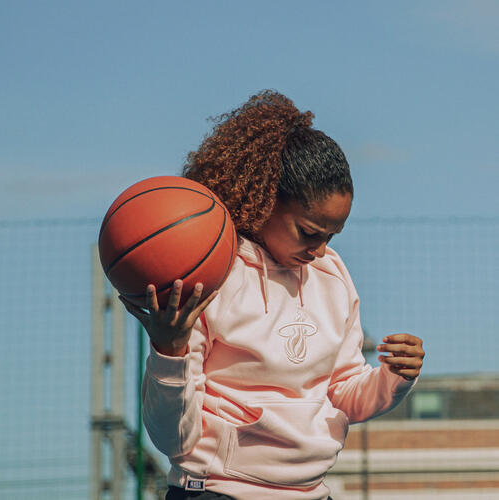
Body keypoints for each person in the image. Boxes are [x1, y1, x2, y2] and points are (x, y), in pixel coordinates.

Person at [119, 90, 425, 500]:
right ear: (263, 200)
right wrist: (168, 351)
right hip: (215, 490)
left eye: (332, 236)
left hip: (311, 492)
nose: (319, 250)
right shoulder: (209, 275)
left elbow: (344, 392)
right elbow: (173, 438)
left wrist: (393, 378)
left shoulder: (332, 275)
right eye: (309, 233)